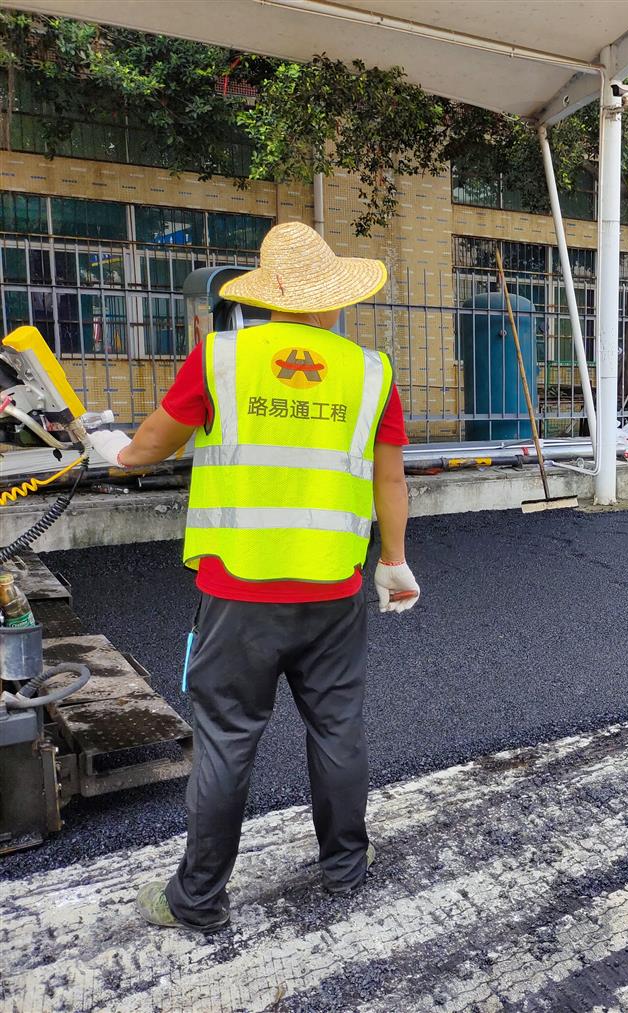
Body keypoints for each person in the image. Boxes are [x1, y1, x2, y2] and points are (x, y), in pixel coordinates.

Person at [88, 221, 421, 932]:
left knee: (228, 738)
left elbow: (150, 443)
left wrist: (115, 455)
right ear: (332, 300)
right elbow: (389, 478)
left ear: (269, 298)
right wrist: (392, 560)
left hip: (238, 591)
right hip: (334, 588)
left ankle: (199, 899)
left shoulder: (221, 358)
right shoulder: (371, 372)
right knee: (337, 729)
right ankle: (345, 869)